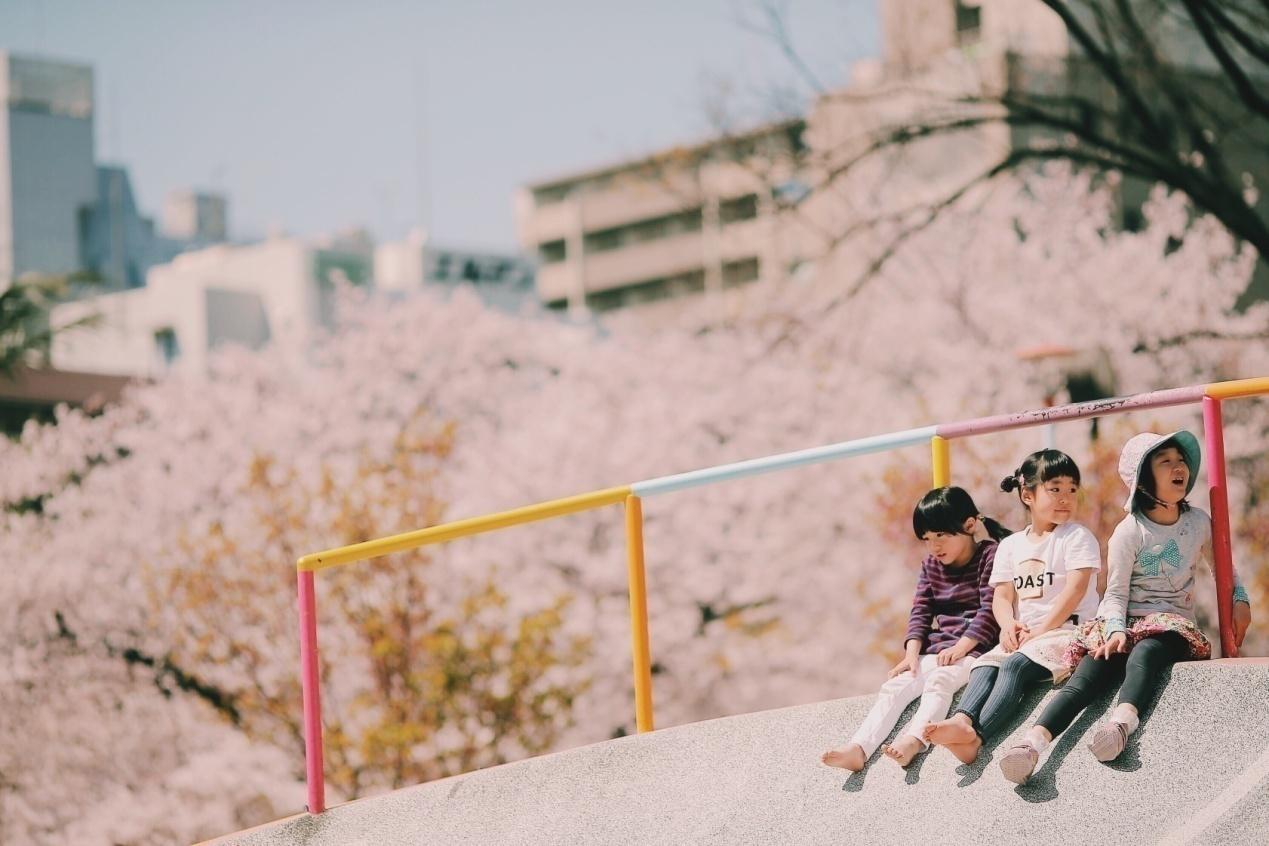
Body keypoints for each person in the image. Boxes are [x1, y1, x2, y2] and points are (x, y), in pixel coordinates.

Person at [996, 431, 1253, 784]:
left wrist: (1240, 598)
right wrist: (1115, 630)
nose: (1178, 468)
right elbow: (1115, 594)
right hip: (1126, 622)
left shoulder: (1197, 523)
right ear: (1144, 478)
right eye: (1165, 462)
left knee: (1144, 654)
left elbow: (1223, 568)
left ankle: (1120, 725)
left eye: (1181, 461)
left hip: (1171, 625)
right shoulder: (1129, 531)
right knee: (1088, 672)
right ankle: (1031, 744)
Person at [923, 449, 1101, 767]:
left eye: (1072, 489)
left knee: (1013, 666)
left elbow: (1075, 590)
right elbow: (1002, 597)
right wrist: (1007, 625)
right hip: (1027, 636)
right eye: (1055, 489)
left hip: (1068, 631)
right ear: (1027, 494)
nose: (1066, 498)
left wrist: (1042, 629)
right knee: (985, 664)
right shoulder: (1010, 545)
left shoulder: (1076, 537)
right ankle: (963, 720)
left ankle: (977, 738)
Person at [822, 486, 1007, 771]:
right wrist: (911, 655)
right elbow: (921, 610)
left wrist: (962, 647)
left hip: (975, 651)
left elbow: (990, 609)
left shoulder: (990, 556)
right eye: (927, 539)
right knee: (895, 687)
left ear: (970, 525)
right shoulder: (932, 565)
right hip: (939, 648)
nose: (934, 546)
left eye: (941, 535)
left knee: (939, 683)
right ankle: (858, 748)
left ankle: (914, 740)